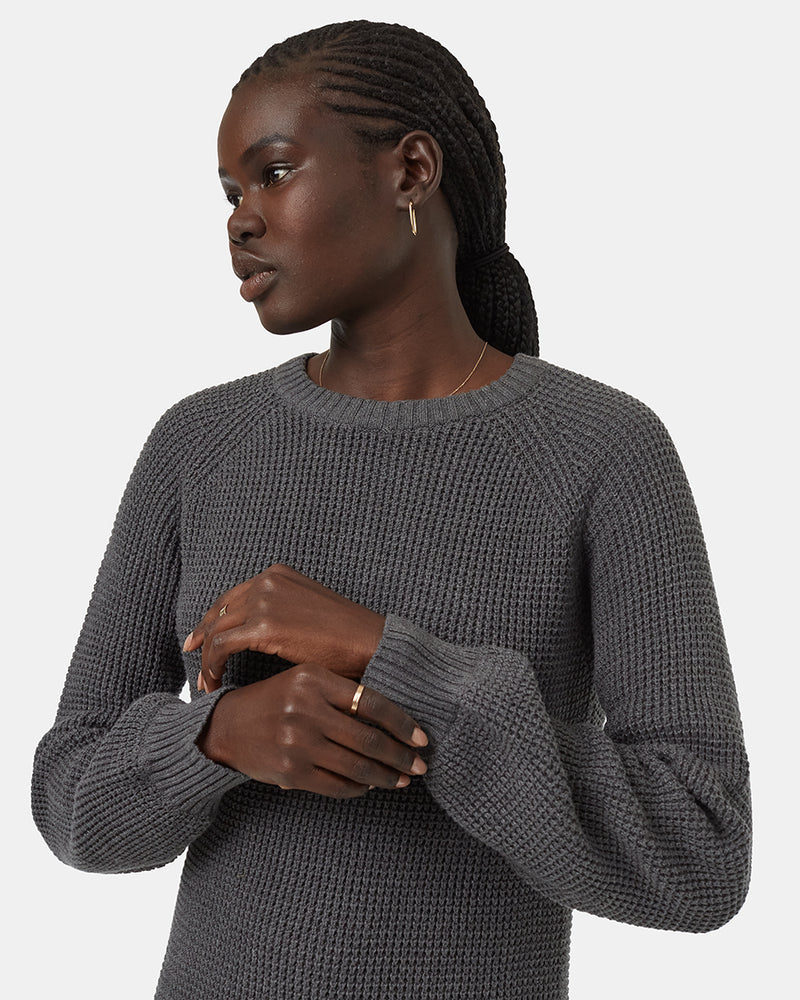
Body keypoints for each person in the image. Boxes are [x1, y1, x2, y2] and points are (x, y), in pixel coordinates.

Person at [31, 19, 752, 1000]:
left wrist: (393, 661)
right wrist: (217, 737)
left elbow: (700, 852)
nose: (241, 221)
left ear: (411, 170)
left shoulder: (602, 451)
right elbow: (68, 795)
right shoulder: (198, 445)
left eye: (274, 172)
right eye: (230, 193)